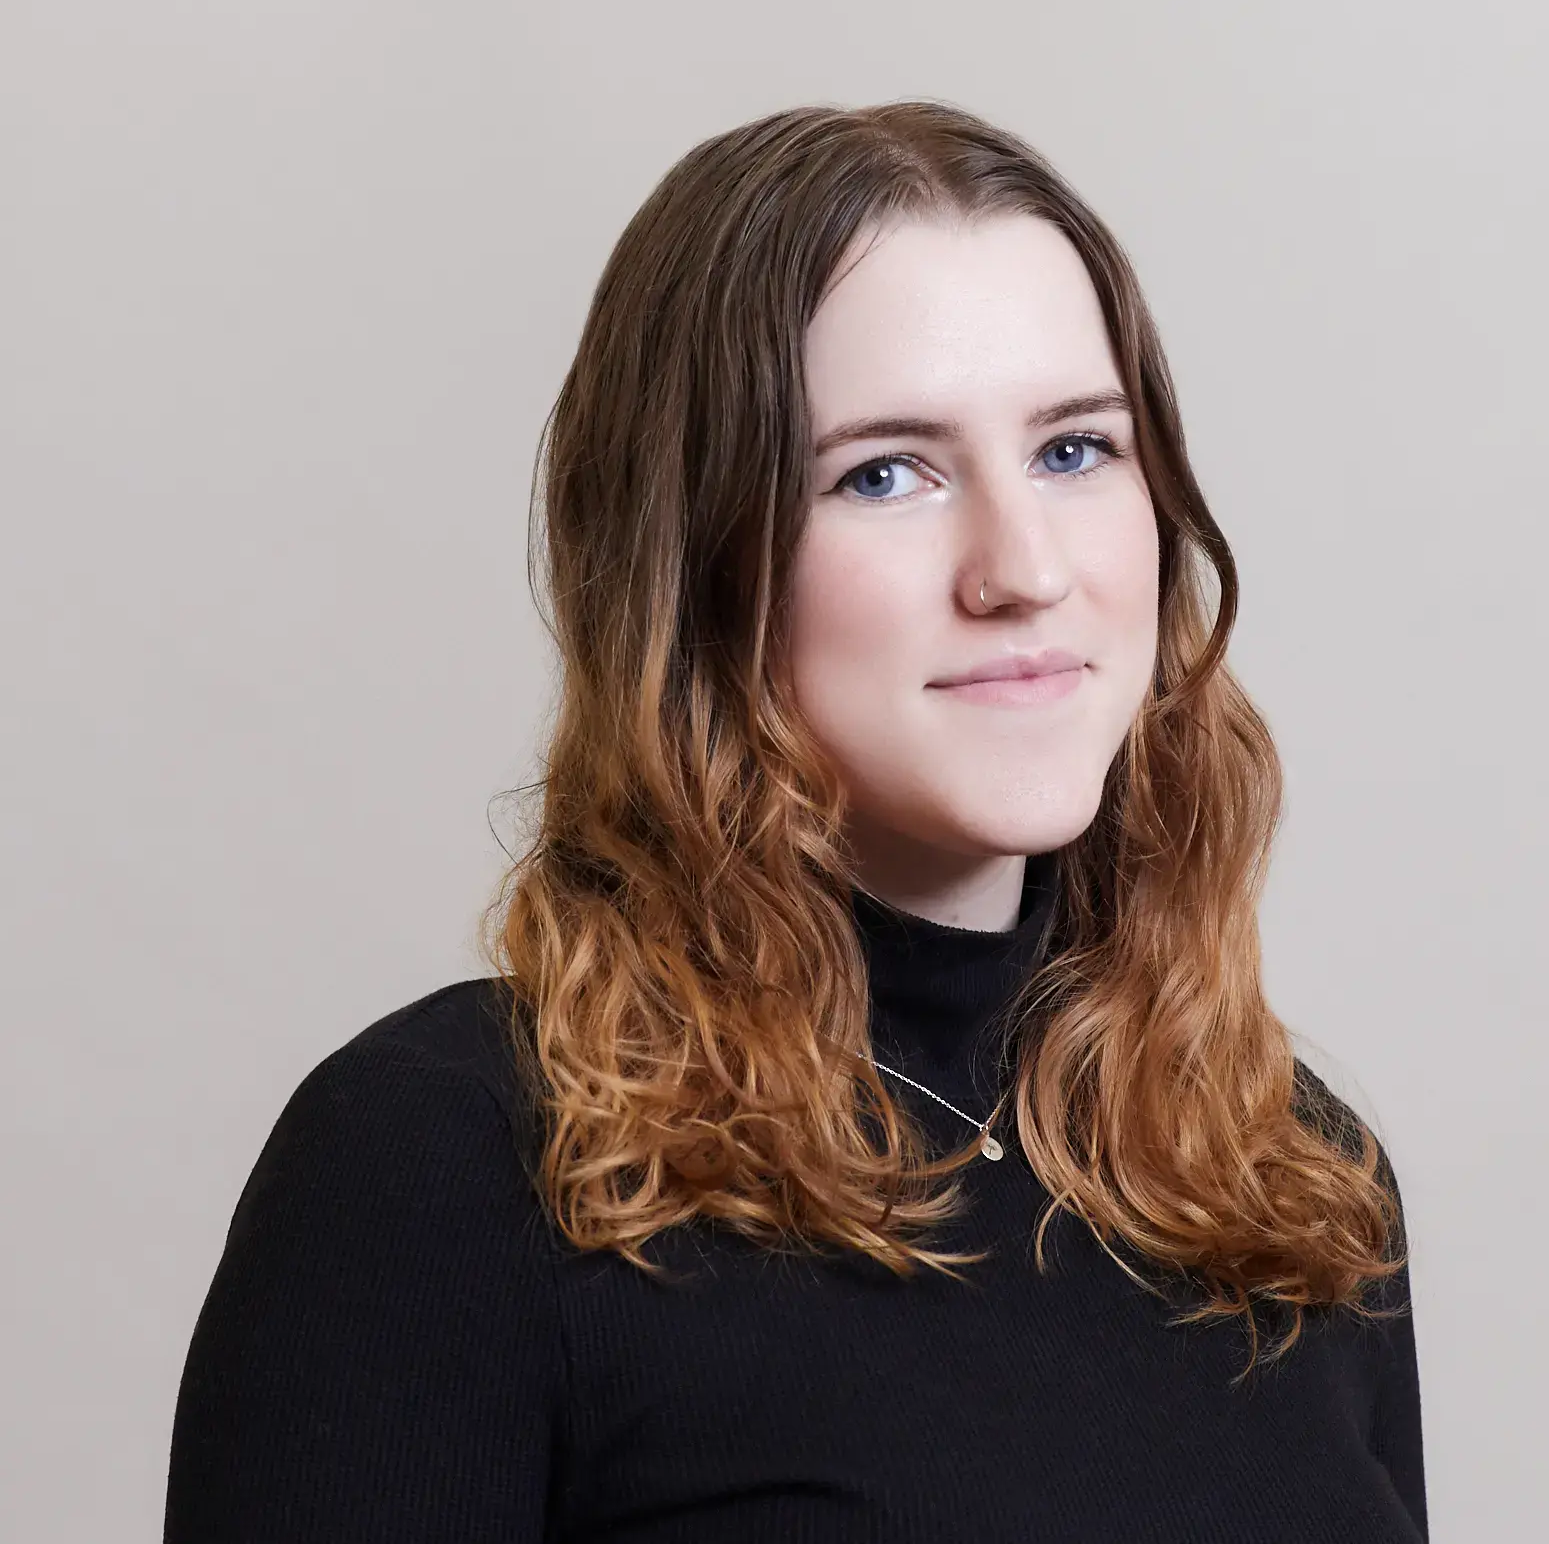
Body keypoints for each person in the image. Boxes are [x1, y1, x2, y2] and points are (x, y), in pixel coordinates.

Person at [164, 100, 1427, 1542]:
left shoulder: (1289, 1174)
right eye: (883, 472)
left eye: (1075, 450)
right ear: (694, 563)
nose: (1021, 567)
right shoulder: (447, 1165)